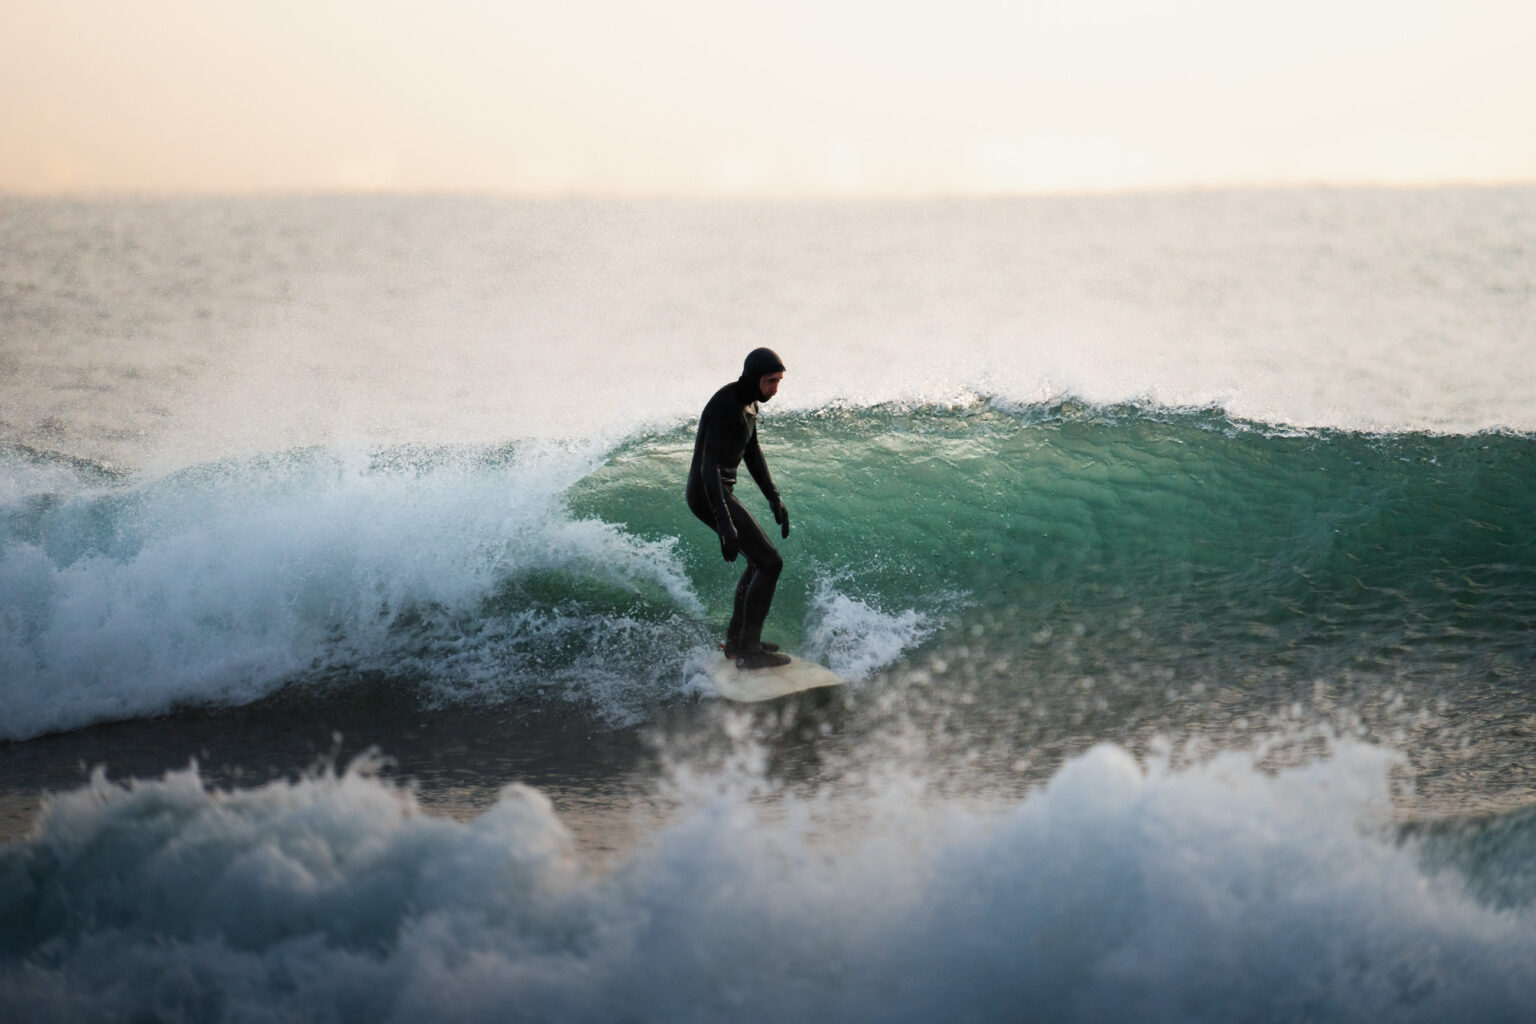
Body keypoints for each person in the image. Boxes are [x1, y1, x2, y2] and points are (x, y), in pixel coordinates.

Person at [687, 347, 792, 669]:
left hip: (717, 493)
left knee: (760, 563)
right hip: (709, 493)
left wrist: (773, 496)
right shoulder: (726, 405)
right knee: (770, 562)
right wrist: (723, 520)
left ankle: (738, 642)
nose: (776, 388)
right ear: (754, 377)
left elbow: (753, 451)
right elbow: (709, 466)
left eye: (778, 381)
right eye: (770, 381)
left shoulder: (750, 405)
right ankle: (748, 650)